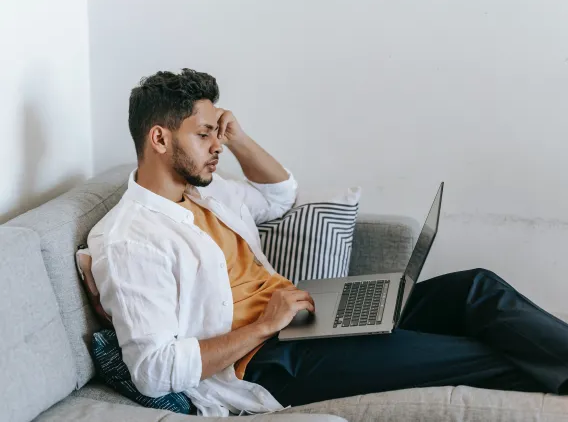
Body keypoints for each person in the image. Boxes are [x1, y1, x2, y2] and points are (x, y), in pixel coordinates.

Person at [88, 69, 568, 417]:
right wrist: (264, 325)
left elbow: (281, 195)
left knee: (476, 289)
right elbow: (152, 369)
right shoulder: (131, 240)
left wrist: (236, 138)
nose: (216, 145)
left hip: (309, 315)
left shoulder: (206, 194)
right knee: (480, 354)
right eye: (203, 134)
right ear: (159, 138)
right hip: (268, 361)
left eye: (217, 132)